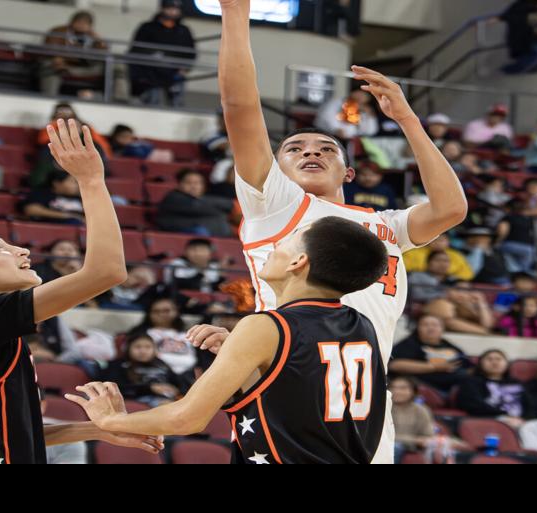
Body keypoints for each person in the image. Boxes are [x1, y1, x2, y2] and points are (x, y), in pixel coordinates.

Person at [202, 5, 467, 464]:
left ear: (349, 170)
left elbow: (451, 209)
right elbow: (240, 106)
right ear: (276, 168)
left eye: (326, 148)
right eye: (295, 149)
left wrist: (407, 118)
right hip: (293, 374)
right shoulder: (277, 203)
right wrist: (236, 14)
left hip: (365, 390)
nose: (310, 152)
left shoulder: (386, 223)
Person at [0, 120, 161, 464]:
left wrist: (97, 429)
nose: (21, 250)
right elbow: (107, 271)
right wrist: (90, 181)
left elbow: (10, 433)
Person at [70, 217, 390, 464]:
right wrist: (242, 353)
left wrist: (113, 419)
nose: (277, 243)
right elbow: (303, 391)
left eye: (290, 239)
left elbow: (187, 418)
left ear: (298, 262)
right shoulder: (362, 325)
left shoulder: (266, 327)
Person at [41, 11, 129, 101]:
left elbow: (104, 53)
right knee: (49, 64)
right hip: (66, 66)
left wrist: (98, 40)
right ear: (72, 22)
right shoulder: (58, 31)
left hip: (87, 68)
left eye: (85, 23)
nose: (82, 25)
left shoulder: (92, 36)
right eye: (79, 22)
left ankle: (120, 99)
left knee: (117, 65)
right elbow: (51, 50)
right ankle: (49, 98)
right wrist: (69, 57)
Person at [128, 0, 196, 107]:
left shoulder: (183, 30)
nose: (173, 12)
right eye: (170, 8)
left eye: (176, 9)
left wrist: (184, 69)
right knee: (152, 102)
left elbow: (191, 53)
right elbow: (136, 50)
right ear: (162, 9)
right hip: (150, 73)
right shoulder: (147, 27)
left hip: (174, 73)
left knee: (177, 104)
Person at [99, 332, 188, 406]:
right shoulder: (118, 364)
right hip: (138, 399)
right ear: (128, 348)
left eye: (148, 347)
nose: (143, 351)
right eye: (138, 347)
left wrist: (176, 389)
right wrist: (150, 388)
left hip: (168, 397)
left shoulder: (160, 364)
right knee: (168, 405)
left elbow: (177, 381)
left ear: (154, 349)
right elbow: (114, 388)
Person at [388, 315, 470, 394]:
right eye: (425, 325)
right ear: (417, 328)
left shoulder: (448, 344)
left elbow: (468, 364)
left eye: (435, 325)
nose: (431, 328)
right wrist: (434, 367)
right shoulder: (410, 343)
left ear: (442, 329)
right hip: (430, 389)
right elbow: (394, 365)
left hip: (458, 386)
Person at [455, 350, 525, 429]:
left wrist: (526, 418)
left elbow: (529, 404)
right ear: (481, 364)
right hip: (489, 419)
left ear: (507, 364)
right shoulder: (471, 382)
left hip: (521, 420)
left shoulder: (517, 383)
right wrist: (504, 415)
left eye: (498, 359)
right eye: (489, 359)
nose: (494, 362)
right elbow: (474, 405)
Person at [155, 170, 233, 237]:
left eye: (197, 183)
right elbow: (196, 206)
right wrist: (225, 209)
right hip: (176, 234)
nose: (193, 186)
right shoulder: (173, 197)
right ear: (179, 185)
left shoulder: (207, 200)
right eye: (188, 183)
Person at [315, 88, 382, 141]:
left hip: (349, 140)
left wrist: (370, 116)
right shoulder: (336, 102)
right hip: (327, 134)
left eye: (364, 96)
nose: (360, 97)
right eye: (360, 94)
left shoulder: (362, 110)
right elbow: (326, 116)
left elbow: (370, 131)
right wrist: (336, 129)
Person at [22, 172, 87, 225]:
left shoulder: (80, 198)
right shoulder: (42, 193)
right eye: (73, 182)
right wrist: (66, 215)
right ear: (57, 183)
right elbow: (31, 209)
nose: (77, 185)